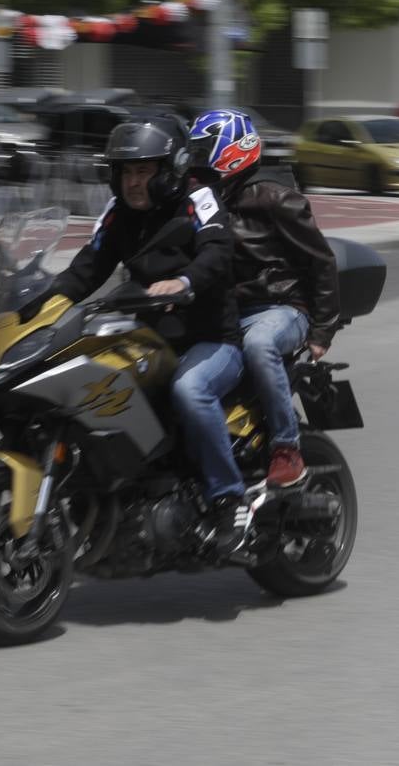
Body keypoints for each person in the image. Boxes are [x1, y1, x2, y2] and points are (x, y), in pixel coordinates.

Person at [46, 114, 254, 558]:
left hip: (211, 340)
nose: (133, 182)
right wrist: (37, 306)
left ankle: (229, 498)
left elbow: (218, 251)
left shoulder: (199, 198)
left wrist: (185, 283)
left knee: (190, 389)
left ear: (171, 170)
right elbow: (87, 268)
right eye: (125, 171)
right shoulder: (119, 214)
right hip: (145, 339)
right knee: (85, 383)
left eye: (143, 171)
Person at [186, 108, 340, 490]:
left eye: (204, 149)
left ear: (230, 150)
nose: (196, 158)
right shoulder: (203, 203)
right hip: (229, 315)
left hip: (283, 309)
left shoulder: (275, 199)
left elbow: (321, 263)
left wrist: (322, 330)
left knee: (258, 343)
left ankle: (286, 449)